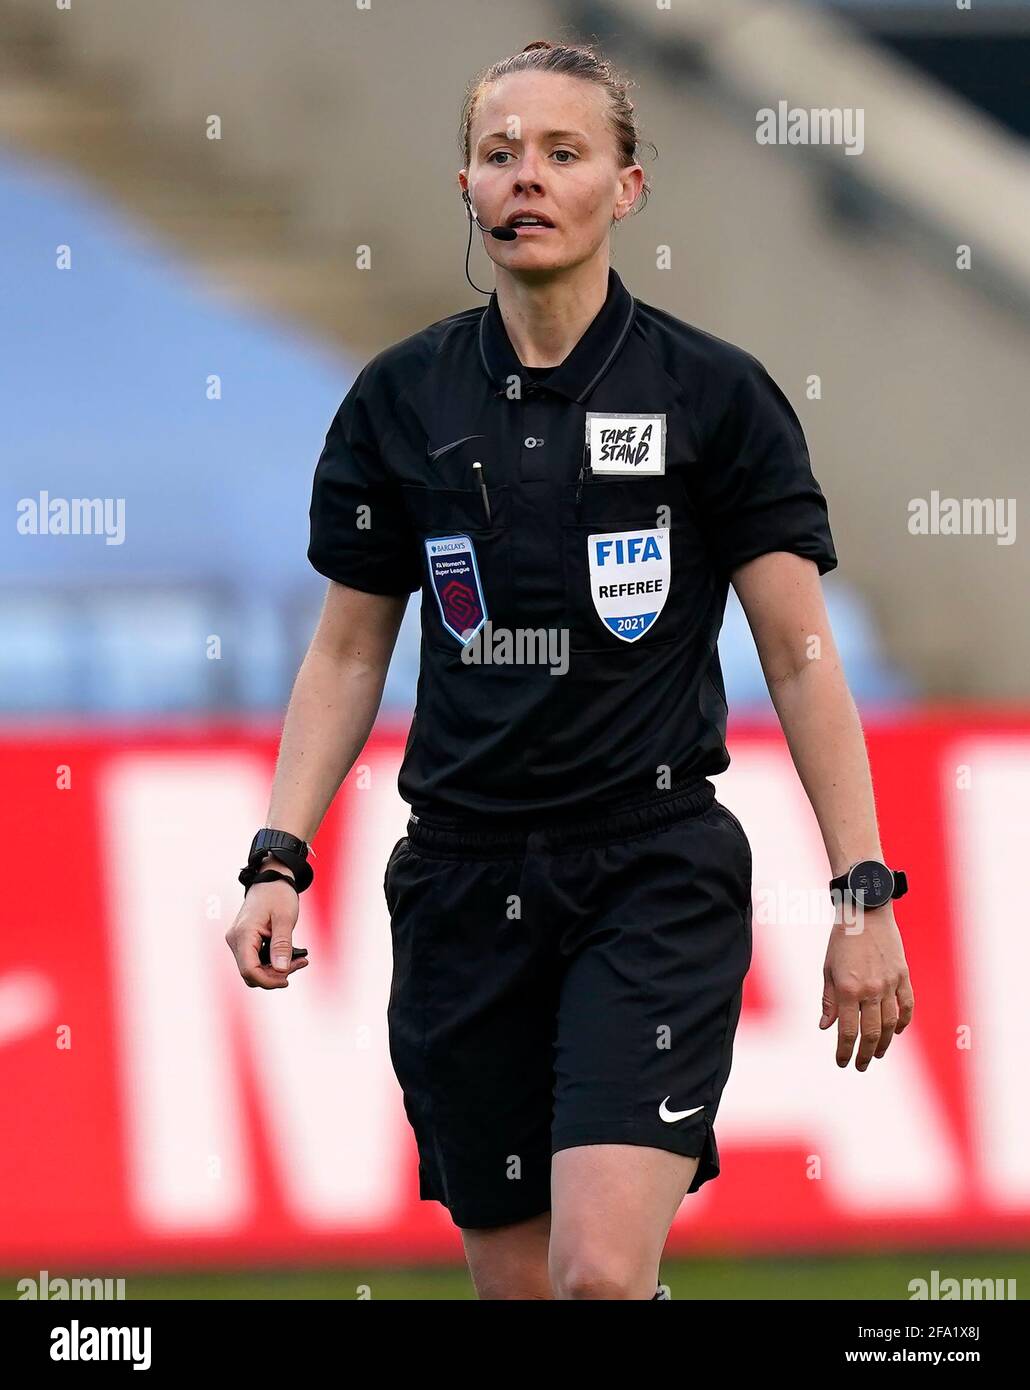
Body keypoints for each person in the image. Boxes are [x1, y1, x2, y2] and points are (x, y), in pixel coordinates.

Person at [225, 39, 915, 1300]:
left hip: (648, 874)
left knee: (599, 1275)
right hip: (459, 883)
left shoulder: (713, 396)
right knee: (523, 1290)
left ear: (627, 187)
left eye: (562, 153)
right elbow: (346, 650)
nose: (526, 179)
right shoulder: (401, 399)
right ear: (466, 189)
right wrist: (279, 854)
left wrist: (860, 895)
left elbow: (802, 659)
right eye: (500, 155)